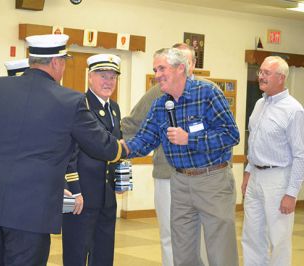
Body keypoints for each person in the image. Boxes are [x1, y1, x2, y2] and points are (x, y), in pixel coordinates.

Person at [0, 34, 126, 266]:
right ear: (56, 62)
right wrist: (126, 148)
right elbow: (102, 145)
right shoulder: (69, 100)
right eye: (64, 62)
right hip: (32, 211)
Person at [122, 48, 240, 266]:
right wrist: (121, 149)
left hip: (212, 181)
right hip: (179, 183)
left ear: (180, 68)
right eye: (155, 69)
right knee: (182, 252)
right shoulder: (160, 104)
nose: (157, 74)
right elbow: (145, 140)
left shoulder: (207, 93)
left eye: (162, 68)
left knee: (220, 251)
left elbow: (230, 134)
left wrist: (190, 140)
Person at [241, 56, 304, 265]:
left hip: (278, 180)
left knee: (278, 239)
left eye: (266, 73)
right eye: (260, 72)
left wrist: (291, 193)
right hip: (255, 177)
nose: (261, 76)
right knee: (251, 236)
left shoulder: (294, 110)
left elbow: (300, 155)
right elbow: (255, 142)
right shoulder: (259, 104)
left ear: (281, 78)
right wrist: (248, 172)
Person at [62, 54, 123, 266]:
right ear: (90, 77)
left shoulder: (114, 108)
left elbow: (116, 145)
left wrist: (121, 180)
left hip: (106, 195)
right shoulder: (79, 105)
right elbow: (69, 153)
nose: (108, 81)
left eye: (113, 77)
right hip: (83, 196)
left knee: (104, 253)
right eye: (102, 76)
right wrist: (75, 190)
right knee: (76, 253)